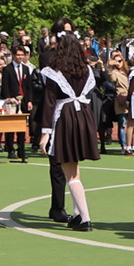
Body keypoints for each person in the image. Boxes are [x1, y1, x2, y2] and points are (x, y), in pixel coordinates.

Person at [38, 25, 101, 231]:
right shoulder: (86, 69)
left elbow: (48, 103)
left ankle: (85, 218)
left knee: (70, 172)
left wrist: (45, 133)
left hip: (65, 118)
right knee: (74, 171)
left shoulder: (54, 71)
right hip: (83, 116)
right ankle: (76, 214)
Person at [0, 44, 36, 161]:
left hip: (23, 101)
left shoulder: (26, 69)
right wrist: (9, 99)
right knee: (11, 126)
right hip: (11, 102)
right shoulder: (7, 69)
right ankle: (10, 149)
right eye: (18, 55)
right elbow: (5, 87)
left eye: (22, 55)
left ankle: (21, 150)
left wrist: (29, 100)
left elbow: (28, 86)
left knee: (22, 127)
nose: (20, 57)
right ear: (14, 55)